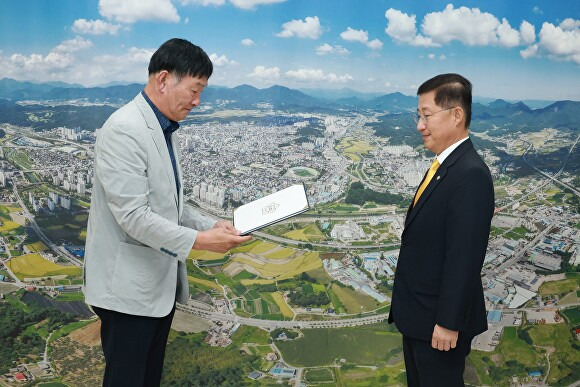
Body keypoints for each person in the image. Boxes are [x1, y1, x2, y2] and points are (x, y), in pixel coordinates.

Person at [83, 38, 251, 386]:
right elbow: (133, 217)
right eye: (195, 89)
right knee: (127, 379)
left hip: (155, 288)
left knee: (148, 378)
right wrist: (202, 241)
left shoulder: (163, 128)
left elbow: (169, 202)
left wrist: (212, 223)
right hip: (127, 293)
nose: (197, 101)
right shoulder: (125, 129)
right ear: (163, 80)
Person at [388, 73, 494, 386]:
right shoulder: (444, 167)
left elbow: (464, 257)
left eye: (426, 115)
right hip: (419, 319)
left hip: (439, 327)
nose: (420, 125)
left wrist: (448, 322)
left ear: (456, 115)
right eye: (418, 116)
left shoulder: (470, 174)